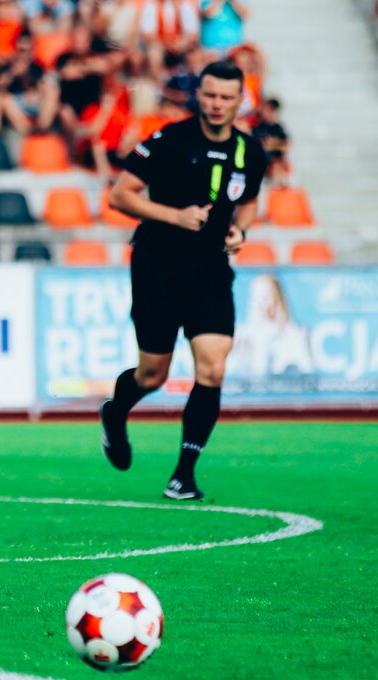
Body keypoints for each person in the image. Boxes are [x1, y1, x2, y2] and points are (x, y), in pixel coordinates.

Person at [98, 60, 266, 501]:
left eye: (226, 97)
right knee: (153, 375)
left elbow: (249, 202)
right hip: (157, 266)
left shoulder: (251, 151)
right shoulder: (170, 140)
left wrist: (240, 231)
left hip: (210, 270)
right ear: (199, 95)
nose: (217, 104)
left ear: (240, 100)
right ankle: (116, 412)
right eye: (210, 95)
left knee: (213, 366)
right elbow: (120, 195)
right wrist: (175, 216)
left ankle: (183, 476)